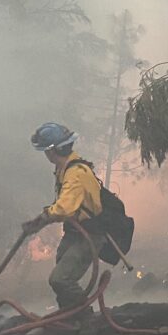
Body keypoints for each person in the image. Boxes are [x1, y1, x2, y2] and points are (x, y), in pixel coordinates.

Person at [24, 122, 106, 314]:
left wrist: (43, 218)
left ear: (52, 151)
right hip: (75, 232)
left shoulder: (75, 173)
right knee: (62, 267)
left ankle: (84, 317)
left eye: (46, 151)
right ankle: (68, 314)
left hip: (89, 235)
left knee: (60, 279)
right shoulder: (65, 169)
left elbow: (64, 208)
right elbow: (64, 203)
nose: (46, 155)